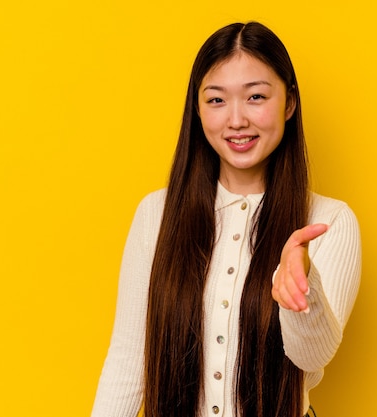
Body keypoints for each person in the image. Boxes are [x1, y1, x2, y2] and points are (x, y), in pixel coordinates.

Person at [91, 21, 361, 417]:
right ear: (197, 109)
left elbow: (311, 359)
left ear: (289, 104)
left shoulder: (328, 222)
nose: (236, 120)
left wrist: (302, 291)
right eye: (216, 100)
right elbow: (129, 362)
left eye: (256, 97)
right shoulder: (156, 214)